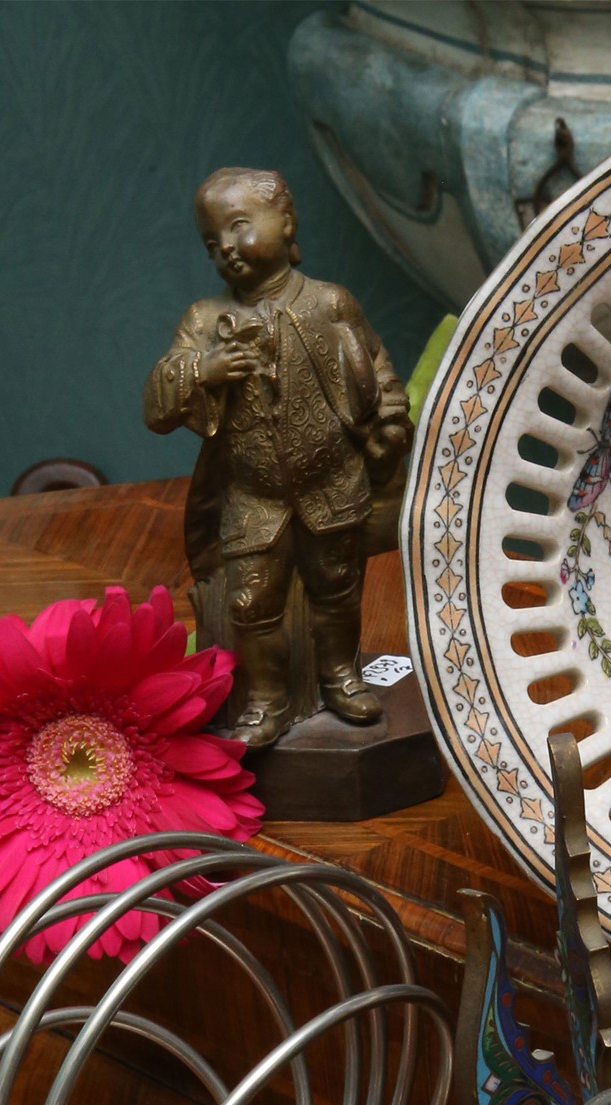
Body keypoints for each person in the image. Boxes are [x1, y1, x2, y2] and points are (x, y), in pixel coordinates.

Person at [143, 167, 411, 748]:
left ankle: (341, 676)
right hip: (252, 496)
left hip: (332, 483)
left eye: (239, 226)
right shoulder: (204, 322)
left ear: (286, 223)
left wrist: (390, 415)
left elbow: (377, 368)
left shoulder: (330, 303)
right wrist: (204, 370)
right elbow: (157, 404)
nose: (226, 248)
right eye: (211, 242)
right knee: (251, 602)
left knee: (337, 586)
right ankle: (266, 698)